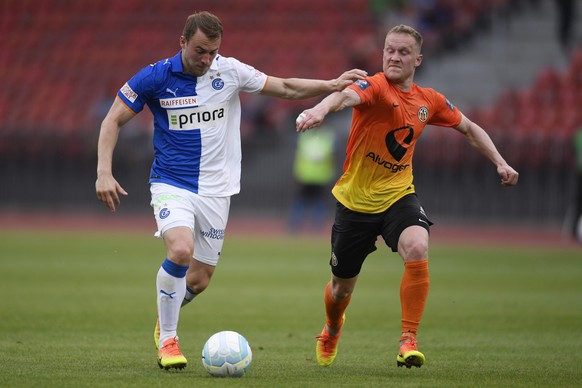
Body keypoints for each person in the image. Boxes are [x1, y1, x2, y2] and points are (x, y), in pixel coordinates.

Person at [95, 11, 366, 371]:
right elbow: (112, 118)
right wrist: (103, 171)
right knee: (180, 250)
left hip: (217, 191)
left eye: (213, 52)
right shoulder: (155, 77)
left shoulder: (230, 71)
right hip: (171, 182)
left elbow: (284, 87)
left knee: (200, 279)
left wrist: (332, 84)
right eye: (199, 51)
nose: (206, 60)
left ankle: (168, 312)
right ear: (182, 42)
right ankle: (169, 340)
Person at [295, 24, 519, 369]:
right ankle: (332, 328)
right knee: (340, 290)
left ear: (418, 59)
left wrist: (501, 162)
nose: (394, 57)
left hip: (399, 195)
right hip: (355, 203)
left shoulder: (429, 100)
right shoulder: (375, 86)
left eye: (402, 52)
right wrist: (320, 111)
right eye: (389, 50)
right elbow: (344, 96)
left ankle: (408, 340)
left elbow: (470, 129)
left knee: (417, 246)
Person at [288, 124, 337, 233]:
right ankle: (313, 227)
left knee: (306, 202)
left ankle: (298, 226)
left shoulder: (305, 138)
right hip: (315, 176)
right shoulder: (327, 138)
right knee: (313, 202)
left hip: (309, 176)